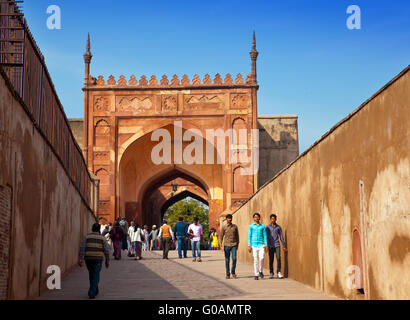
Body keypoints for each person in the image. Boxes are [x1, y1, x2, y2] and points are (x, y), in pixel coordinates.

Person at [78, 223, 110, 299]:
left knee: (91, 274)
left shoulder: (87, 236)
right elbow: (106, 250)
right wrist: (107, 260)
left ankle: (95, 289)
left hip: (88, 259)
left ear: (92, 228)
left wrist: (80, 259)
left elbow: (82, 247)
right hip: (98, 259)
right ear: (99, 229)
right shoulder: (102, 238)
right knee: (96, 275)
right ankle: (91, 292)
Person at [266, 213, 287, 279]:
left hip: (277, 244)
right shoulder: (267, 228)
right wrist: (267, 245)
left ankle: (278, 272)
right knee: (271, 259)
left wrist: (283, 246)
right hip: (270, 246)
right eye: (272, 219)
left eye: (274, 219)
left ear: (276, 219)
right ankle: (271, 272)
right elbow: (266, 237)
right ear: (270, 219)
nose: (273, 220)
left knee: (278, 258)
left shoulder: (278, 227)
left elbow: (281, 236)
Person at [248, 213, 268, 280]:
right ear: (253, 218)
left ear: (259, 218)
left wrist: (266, 245)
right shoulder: (251, 226)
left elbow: (265, 236)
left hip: (261, 244)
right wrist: (249, 245)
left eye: (257, 217)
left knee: (262, 258)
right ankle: (256, 274)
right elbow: (249, 236)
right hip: (254, 245)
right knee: (255, 259)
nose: (256, 218)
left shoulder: (262, 226)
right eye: (255, 217)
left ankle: (260, 271)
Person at [219, 214, 239, 279]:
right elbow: (221, 236)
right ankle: (227, 273)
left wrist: (237, 244)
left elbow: (237, 236)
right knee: (227, 260)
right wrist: (220, 244)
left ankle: (233, 271)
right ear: (226, 219)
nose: (229, 219)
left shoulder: (235, 227)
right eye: (228, 218)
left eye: (230, 218)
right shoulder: (224, 227)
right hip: (226, 245)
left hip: (234, 244)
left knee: (234, 258)